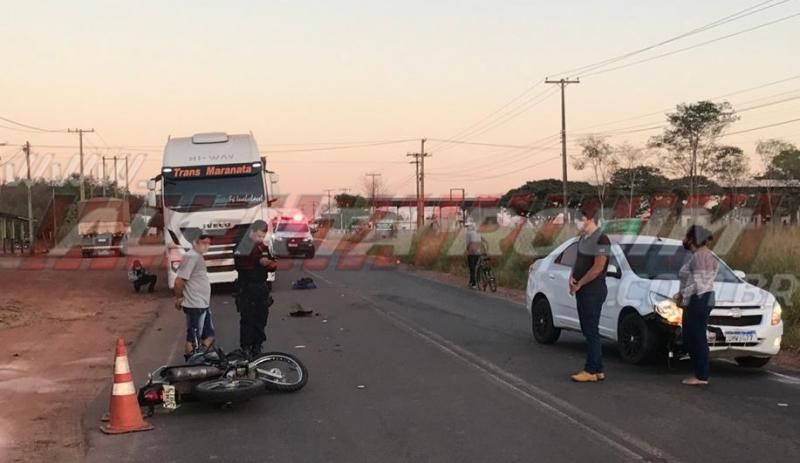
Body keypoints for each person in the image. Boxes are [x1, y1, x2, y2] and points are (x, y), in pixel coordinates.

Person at [569, 205, 611, 383]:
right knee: (587, 329)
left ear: (589, 219)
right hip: (582, 289)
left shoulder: (602, 239)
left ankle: (591, 370)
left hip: (593, 291)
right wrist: (572, 277)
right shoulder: (583, 239)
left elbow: (598, 267)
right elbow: (578, 261)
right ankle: (598, 368)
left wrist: (581, 283)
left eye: (579, 219)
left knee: (591, 330)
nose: (576, 223)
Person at [674, 225, 719, 386]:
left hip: (699, 299)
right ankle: (700, 373)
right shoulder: (704, 255)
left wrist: (681, 295)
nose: (684, 240)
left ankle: (701, 375)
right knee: (691, 336)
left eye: (686, 237)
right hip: (698, 298)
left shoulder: (701, 256)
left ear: (692, 240)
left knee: (696, 337)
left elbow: (701, 284)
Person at [234, 220, 278, 357]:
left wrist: (269, 263)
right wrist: (258, 261)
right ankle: (246, 347)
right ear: (252, 232)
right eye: (258, 236)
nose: (260, 239)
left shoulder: (263, 247)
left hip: (262, 286)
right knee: (248, 319)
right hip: (247, 287)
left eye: (262, 236)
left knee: (261, 318)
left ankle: (257, 346)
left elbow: (273, 262)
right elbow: (242, 265)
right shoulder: (242, 247)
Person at [174, 230, 215, 361]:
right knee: (193, 338)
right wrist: (179, 298)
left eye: (208, 243)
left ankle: (201, 358)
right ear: (194, 243)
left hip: (202, 304)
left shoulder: (197, 256)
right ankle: (192, 362)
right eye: (203, 243)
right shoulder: (191, 257)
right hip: (195, 304)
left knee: (209, 336)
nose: (206, 246)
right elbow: (179, 280)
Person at [465, 223, 482, 289]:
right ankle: (474, 281)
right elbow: (479, 242)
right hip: (478, 252)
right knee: (477, 268)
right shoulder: (478, 233)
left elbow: (468, 243)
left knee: (472, 268)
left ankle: (473, 284)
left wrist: (467, 251)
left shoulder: (468, 233)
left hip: (471, 253)